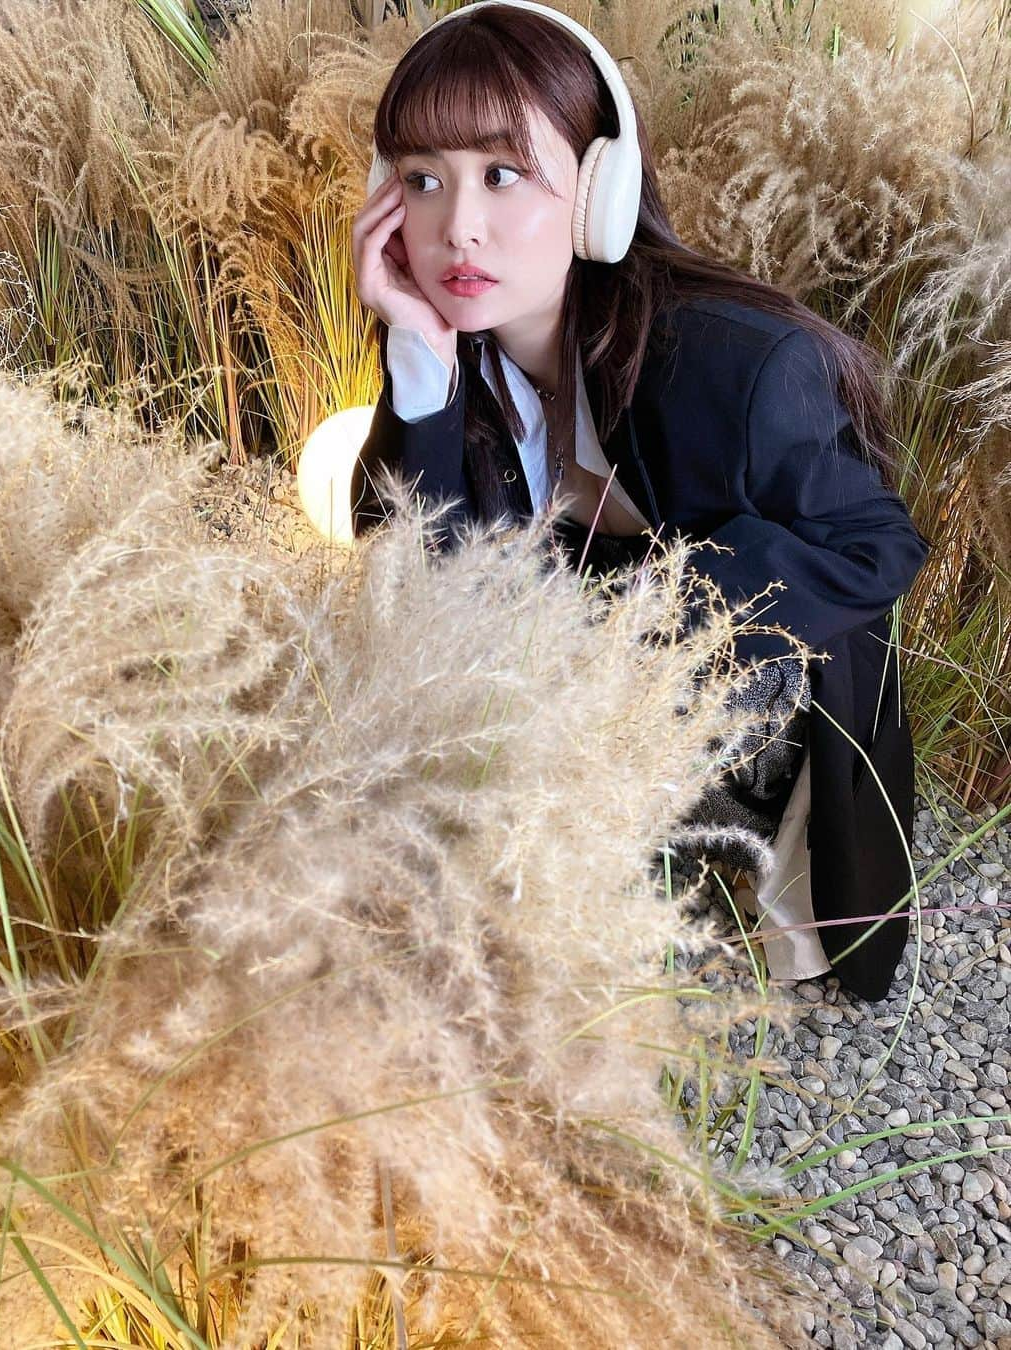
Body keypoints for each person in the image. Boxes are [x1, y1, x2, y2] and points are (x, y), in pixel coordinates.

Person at [348, 0, 931, 1002]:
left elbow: (876, 545)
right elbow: (412, 573)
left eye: (503, 172)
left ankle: (702, 863)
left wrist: (632, 628)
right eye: (422, 180)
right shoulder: (453, 359)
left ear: (598, 195)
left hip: (746, 677)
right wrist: (418, 360)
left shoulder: (740, 367)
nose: (459, 227)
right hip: (588, 670)